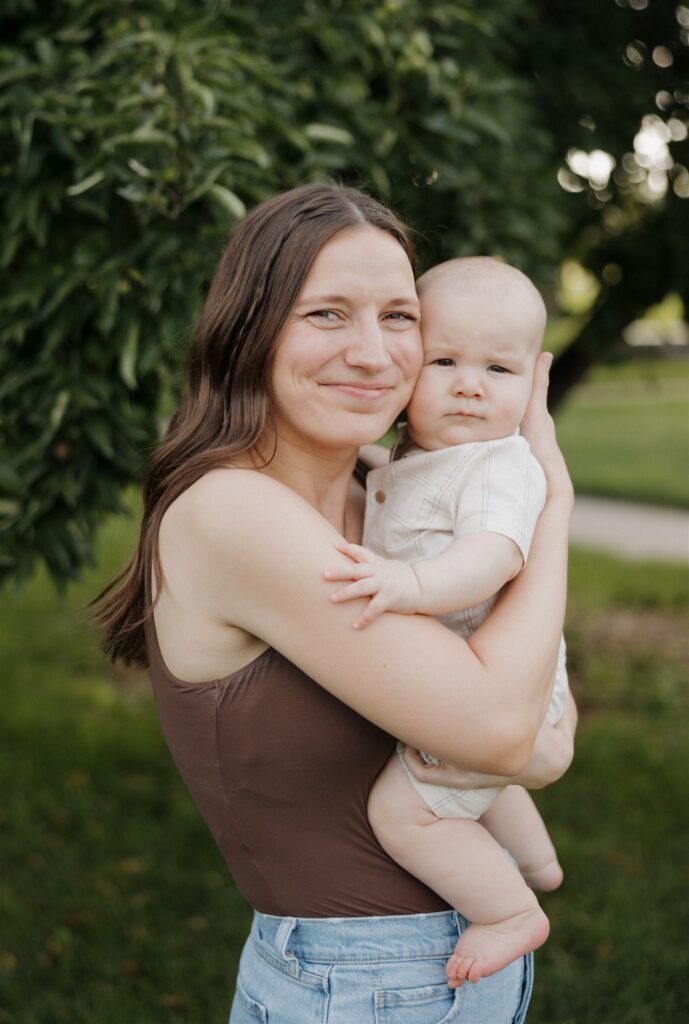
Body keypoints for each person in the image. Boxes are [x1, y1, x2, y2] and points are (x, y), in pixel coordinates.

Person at [93, 183, 576, 1024]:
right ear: (251, 332)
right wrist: (554, 504)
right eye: (326, 315)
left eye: (397, 317)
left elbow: (544, 750)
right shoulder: (234, 513)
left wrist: (514, 734)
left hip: (447, 971)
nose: (372, 352)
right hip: (360, 984)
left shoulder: (377, 497)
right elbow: (504, 733)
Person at [325, 257, 570, 989]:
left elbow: (491, 557)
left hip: (502, 685)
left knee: (403, 811)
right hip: (479, 679)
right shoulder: (426, 455)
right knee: (484, 783)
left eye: (498, 369)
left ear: (533, 384)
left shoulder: (499, 464)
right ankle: (536, 862)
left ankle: (508, 911)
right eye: (445, 361)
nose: (469, 383)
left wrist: (410, 584)